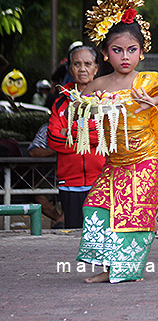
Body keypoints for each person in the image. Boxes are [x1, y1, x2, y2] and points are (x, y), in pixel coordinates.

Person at [76, 0, 158, 283]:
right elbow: (79, 110)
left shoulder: (148, 80)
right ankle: (108, 267)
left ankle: (128, 270)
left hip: (146, 158)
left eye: (132, 50)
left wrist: (154, 101)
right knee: (96, 206)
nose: (125, 57)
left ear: (141, 52)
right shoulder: (96, 85)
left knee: (133, 213)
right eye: (117, 50)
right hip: (116, 161)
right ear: (105, 52)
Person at [46, 44, 105, 229]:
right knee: (74, 237)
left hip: (101, 180)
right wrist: (89, 134)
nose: (82, 68)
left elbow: (107, 136)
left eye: (88, 64)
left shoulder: (105, 99)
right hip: (69, 183)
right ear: (71, 69)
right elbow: (53, 140)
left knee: (102, 236)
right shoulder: (61, 102)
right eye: (77, 64)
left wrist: (68, 132)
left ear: (96, 68)